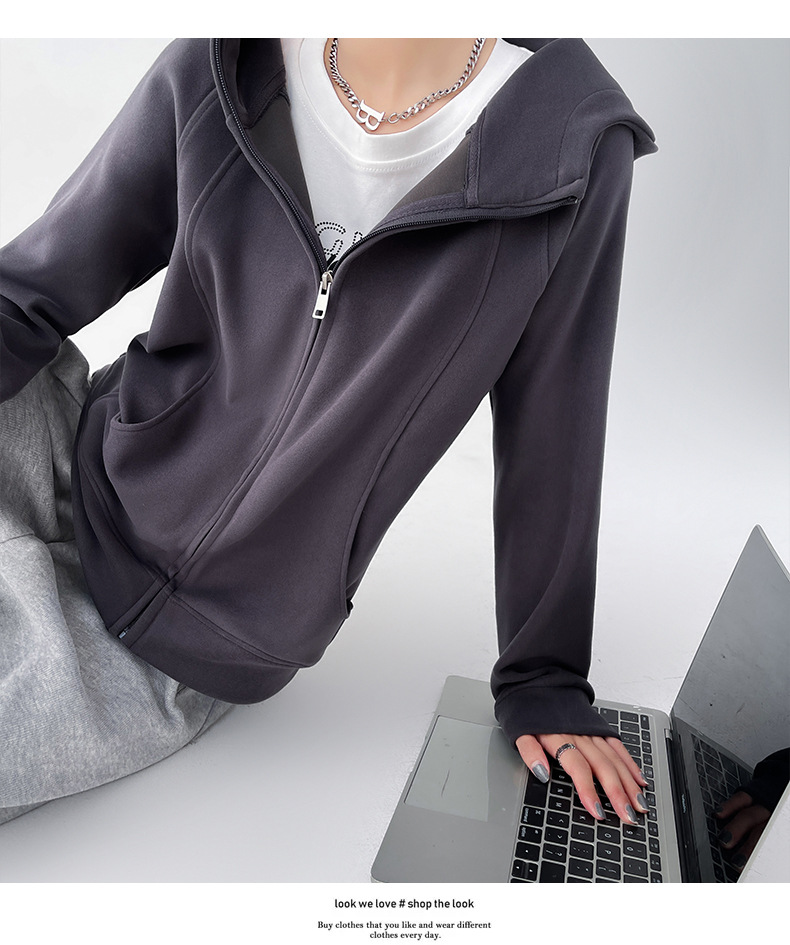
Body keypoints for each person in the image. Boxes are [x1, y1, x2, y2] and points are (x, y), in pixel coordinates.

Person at [0, 39, 656, 832]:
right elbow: (29, 293)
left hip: (190, 643)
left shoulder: (568, 147)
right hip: (72, 453)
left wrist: (545, 680)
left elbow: (554, 442)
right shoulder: (228, 61)